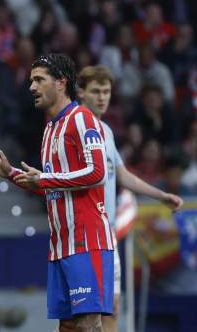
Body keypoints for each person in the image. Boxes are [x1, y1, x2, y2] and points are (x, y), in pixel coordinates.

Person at [0, 54, 114, 331]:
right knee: (68, 327)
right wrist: (11, 173)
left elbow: (97, 173)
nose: (32, 87)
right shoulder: (50, 130)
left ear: (61, 83)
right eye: (31, 81)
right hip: (61, 244)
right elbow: (49, 187)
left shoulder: (82, 118)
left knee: (89, 324)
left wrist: (46, 177)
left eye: (39, 80)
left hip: (87, 240)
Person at [77, 65, 183, 332]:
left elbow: (122, 176)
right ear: (81, 93)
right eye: (96, 91)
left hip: (108, 237)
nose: (102, 97)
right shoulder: (73, 132)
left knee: (111, 309)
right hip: (85, 237)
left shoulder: (107, 131)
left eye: (107, 92)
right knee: (83, 317)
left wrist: (161, 195)